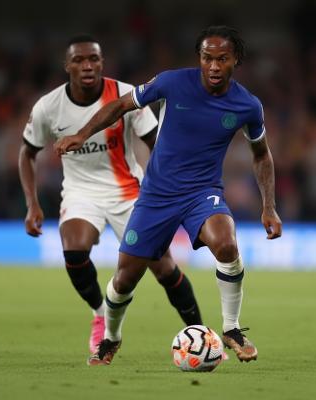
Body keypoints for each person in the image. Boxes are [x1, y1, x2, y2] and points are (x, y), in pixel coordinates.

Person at [54, 26, 282, 366]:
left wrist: (269, 207)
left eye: (222, 59)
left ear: (236, 60)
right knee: (125, 278)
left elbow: (261, 154)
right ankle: (111, 338)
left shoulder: (247, 105)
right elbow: (120, 105)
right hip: (156, 196)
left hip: (202, 192)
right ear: (199, 58)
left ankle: (232, 329)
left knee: (226, 244)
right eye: (207, 58)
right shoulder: (172, 82)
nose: (214, 66)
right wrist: (82, 133)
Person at [18, 34, 203, 362]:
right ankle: (100, 313)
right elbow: (27, 153)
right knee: (74, 249)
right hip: (80, 193)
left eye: (94, 59)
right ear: (67, 66)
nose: (87, 65)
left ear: (102, 63)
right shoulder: (49, 107)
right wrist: (32, 204)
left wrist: (164, 192)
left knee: (164, 268)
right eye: (79, 60)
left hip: (129, 192)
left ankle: (200, 333)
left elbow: (156, 143)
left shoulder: (124, 95)